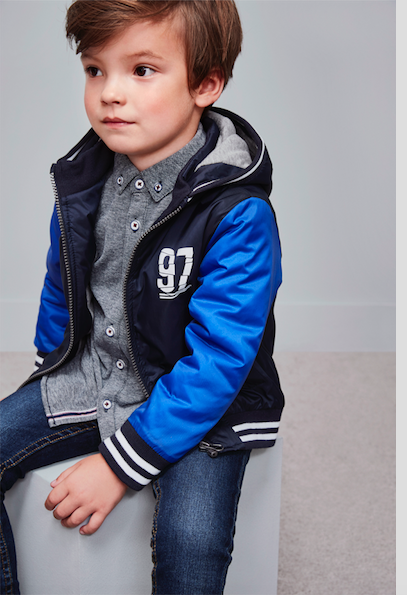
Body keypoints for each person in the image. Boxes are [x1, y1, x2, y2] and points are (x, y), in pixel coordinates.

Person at [0, 1, 285, 593]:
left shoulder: (237, 212)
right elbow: (64, 287)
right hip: (94, 375)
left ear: (205, 85)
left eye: (142, 70)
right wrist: (51, 365)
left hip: (204, 405)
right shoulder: (84, 179)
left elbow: (220, 360)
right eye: (95, 70)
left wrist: (117, 466)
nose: (110, 93)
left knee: (191, 541)